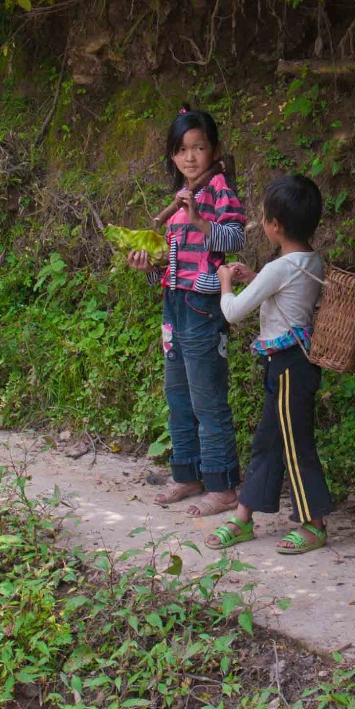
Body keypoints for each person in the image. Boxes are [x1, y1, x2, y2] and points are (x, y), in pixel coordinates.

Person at [128, 109, 248, 516]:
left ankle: (223, 485)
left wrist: (198, 219)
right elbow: (172, 265)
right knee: (177, 392)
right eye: (182, 150)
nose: (191, 157)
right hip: (174, 305)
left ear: (213, 150)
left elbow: (234, 236)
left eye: (199, 148)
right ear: (172, 156)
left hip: (203, 305)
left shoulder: (217, 190)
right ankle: (188, 475)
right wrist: (152, 268)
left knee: (207, 396)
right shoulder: (178, 199)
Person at [207, 174, 334, 555]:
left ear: (274, 226)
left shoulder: (280, 269)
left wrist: (225, 283)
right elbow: (284, 292)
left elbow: (232, 313)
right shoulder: (310, 259)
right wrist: (255, 277)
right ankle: (244, 516)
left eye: (263, 216)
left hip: (289, 365)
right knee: (268, 440)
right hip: (295, 363)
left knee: (295, 445)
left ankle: (314, 524)